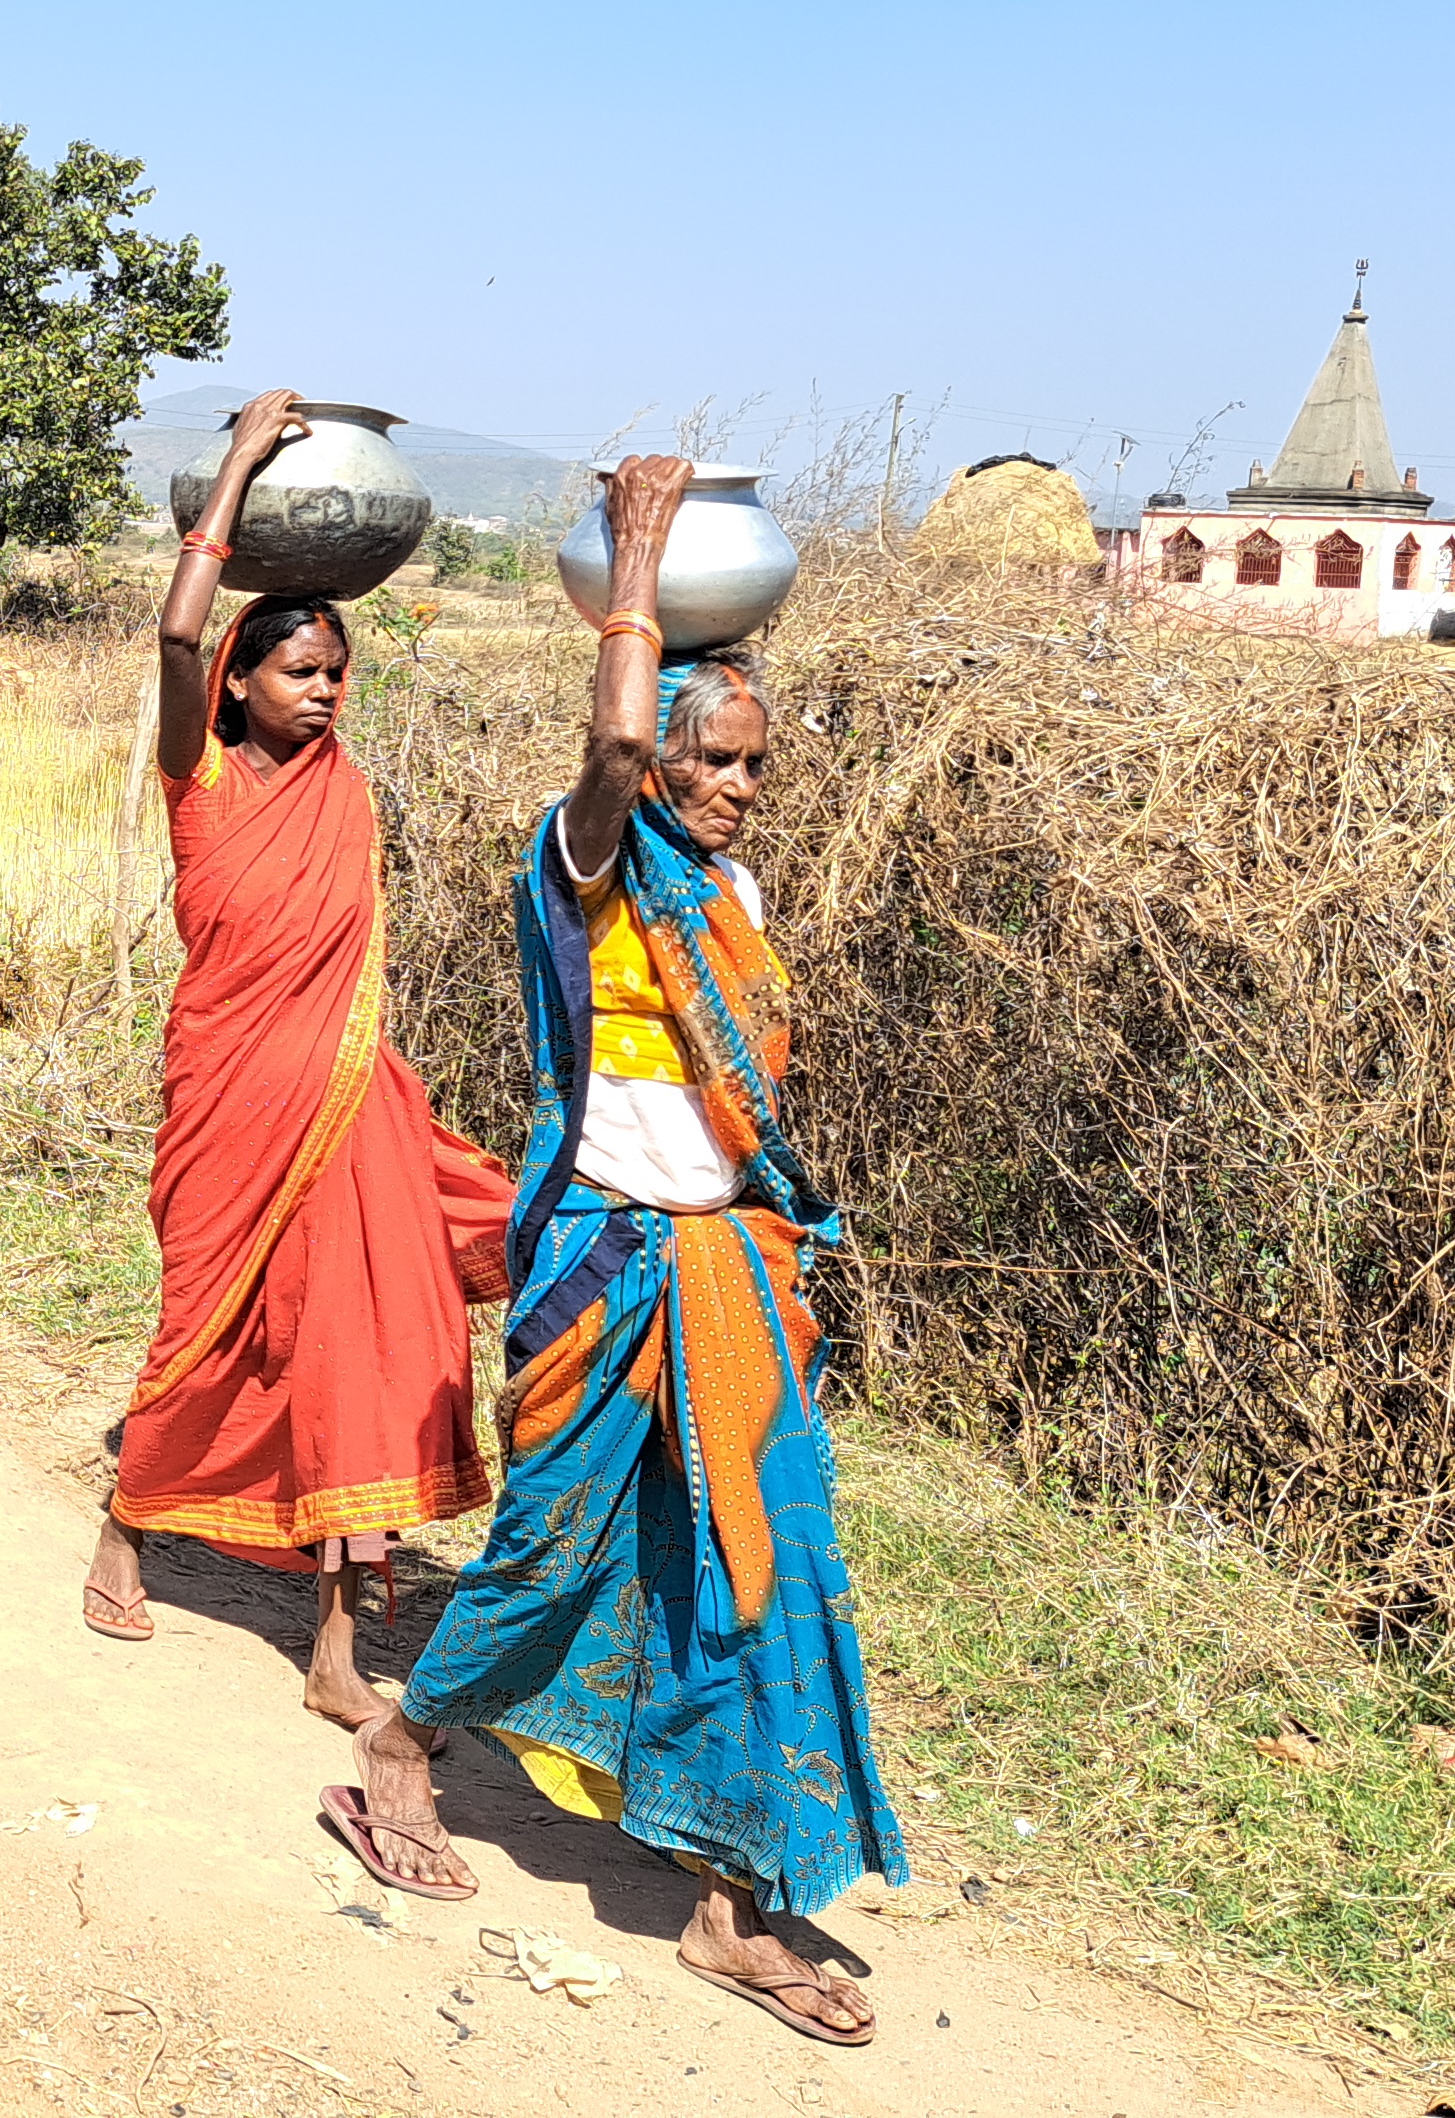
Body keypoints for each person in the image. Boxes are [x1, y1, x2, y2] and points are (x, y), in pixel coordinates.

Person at [335, 453, 905, 2047]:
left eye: (753, 766)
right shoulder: (579, 856)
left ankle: (731, 1908)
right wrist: (639, 566)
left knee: (746, 1572)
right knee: (553, 1543)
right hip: (605, 1260)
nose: (738, 788)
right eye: (714, 762)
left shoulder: (734, 883)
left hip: (726, 1269)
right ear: (656, 757)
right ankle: (400, 1745)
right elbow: (605, 739)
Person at [86, 388, 518, 1726]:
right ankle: (126, 1524)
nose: (324, 695)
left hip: (346, 1110)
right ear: (240, 680)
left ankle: (337, 1637)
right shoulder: (198, 782)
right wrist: (237, 470)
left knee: (362, 1348)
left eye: (336, 674)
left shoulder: (347, 790)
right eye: (298, 672)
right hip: (230, 1103)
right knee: (203, 1336)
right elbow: (173, 627)